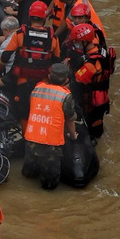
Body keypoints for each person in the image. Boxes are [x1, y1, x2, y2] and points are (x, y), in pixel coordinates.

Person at [0, 0, 59, 119]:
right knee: (41, 112)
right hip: (43, 81)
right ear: (44, 18)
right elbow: (56, 62)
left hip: (22, 80)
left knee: (23, 113)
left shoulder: (20, 34)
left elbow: (5, 57)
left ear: (30, 17)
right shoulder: (53, 37)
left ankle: (24, 131)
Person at [21, 61, 77, 190]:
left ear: (50, 76)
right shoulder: (66, 96)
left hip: (31, 139)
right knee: (49, 184)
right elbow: (70, 119)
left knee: (28, 174)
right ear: (66, 79)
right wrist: (73, 136)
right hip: (51, 145)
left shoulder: (36, 89)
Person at [64, 22, 111, 141]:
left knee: (92, 131)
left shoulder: (91, 64)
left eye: (78, 43)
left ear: (85, 42)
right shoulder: (99, 49)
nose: (76, 45)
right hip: (100, 96)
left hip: (93, 101)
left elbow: (76, 80)